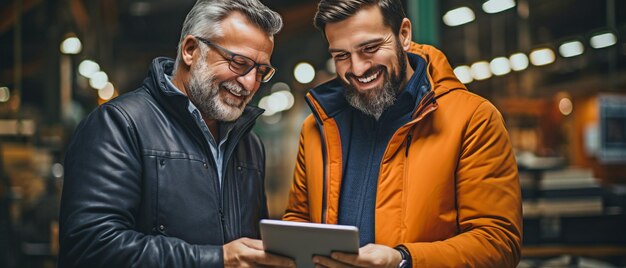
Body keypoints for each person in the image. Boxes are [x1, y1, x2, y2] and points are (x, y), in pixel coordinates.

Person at [282, 0, 522, 267]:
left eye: (370, 48)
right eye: (341, 56)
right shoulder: (317, 128)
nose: (358, 69)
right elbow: (299, 220)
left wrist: (403, 260)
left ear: (404, 35)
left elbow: (498, 243)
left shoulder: (473, 119)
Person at [59, 0, 295, 267]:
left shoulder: (249, 144)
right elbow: (89, 247)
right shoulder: (118, 125)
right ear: (191, 50)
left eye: (261, 71)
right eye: (239, 63)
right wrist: (218, 259)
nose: (250, 83)